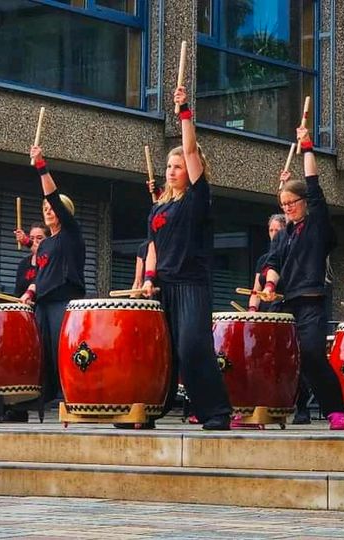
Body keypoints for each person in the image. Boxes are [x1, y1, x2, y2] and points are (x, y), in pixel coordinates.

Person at [140, 85, 232, 430]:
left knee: (193, 347)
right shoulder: (158, 207)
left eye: (177, 166)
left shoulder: (197, 199)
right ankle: (150, 408)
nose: (171, 170)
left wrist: (184, 113)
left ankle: (217, 412)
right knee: (163, 353)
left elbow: (191, 148)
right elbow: (152, 246)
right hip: (163, 286)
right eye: (168, 166)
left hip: (192, 284)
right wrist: (149, 280)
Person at [259, 126, 344, 430]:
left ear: (304, 203)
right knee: (272, 356)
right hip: (285, 303)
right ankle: (264, 409)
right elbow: (273, 263)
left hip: (310, 301)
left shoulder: (316, 224)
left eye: (292, 204)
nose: (287, 209)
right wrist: (270, 285)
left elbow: (313, 185)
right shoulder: (283, 234)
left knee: (311, 354)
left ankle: (336, 410)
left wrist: (308, 146)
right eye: (283, 206)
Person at [20, 147, 86, 410]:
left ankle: (65, 394)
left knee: (62, 349)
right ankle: (41, 397)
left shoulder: (71, 234)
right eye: (45, 208)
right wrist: (29, 293)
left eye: (52, 207)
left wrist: (41, 167)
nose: (48, 210)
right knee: (42, 351)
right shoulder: (45, 245)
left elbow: (53, 196)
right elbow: (40, 276)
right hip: (43, 303)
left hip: (64, 301)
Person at [248, 213, 287, 312]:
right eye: (271, 230)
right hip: (264, 312)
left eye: (277, 231)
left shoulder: (289, 256)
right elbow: (256, 291)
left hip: (283, 310)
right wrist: (252, 310)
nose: (274, 234)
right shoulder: (263, 259)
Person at [13, 223, 50, 298]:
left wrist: (27, 241)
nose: (34, 241)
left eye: (39, 238)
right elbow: (18, 293)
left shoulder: (52, 260)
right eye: (32, 238)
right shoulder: (23, 264)